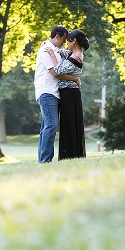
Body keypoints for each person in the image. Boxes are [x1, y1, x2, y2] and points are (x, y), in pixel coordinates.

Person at [34, 25, 81, 162]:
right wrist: (75, 79)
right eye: (64, 39)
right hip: (47, 91)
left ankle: (42, 159)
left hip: (54, 92)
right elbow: (55, 73)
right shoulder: (45, 51)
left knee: (46, 126)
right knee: (51, 124)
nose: (65, 42)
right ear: (57, 37)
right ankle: (45, 160)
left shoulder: (54, 50)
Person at [45, 29, 89, 160]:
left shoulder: (76, 57)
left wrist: (52, 54)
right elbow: (62, 52)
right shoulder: (73, 53)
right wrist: (50, 46)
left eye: (68, 41)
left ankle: (70, 155)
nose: (66, 44)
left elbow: (58, 70)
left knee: (69, 124)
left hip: (69, 95)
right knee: (68, 124)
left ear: (74, 41)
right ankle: (71, 154)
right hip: (69, 94)